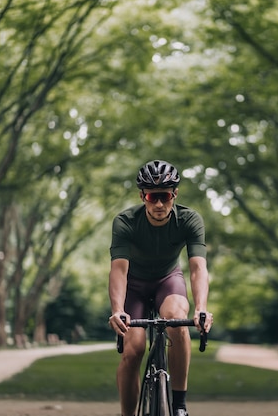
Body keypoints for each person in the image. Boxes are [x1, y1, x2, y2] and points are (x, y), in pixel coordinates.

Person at [108, 160, 213, 416]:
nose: (158, 204)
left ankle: (179, 406)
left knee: (176, 320)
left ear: (174, 194)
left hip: (168, 280)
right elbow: (119, 270)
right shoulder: (125, 222)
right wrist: (118, 310)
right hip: (135, 286)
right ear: (142, 195)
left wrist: (201, 308)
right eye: (151, 196)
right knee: (133, 351)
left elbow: (198, 268)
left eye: (164, 196)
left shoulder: (189, 220)